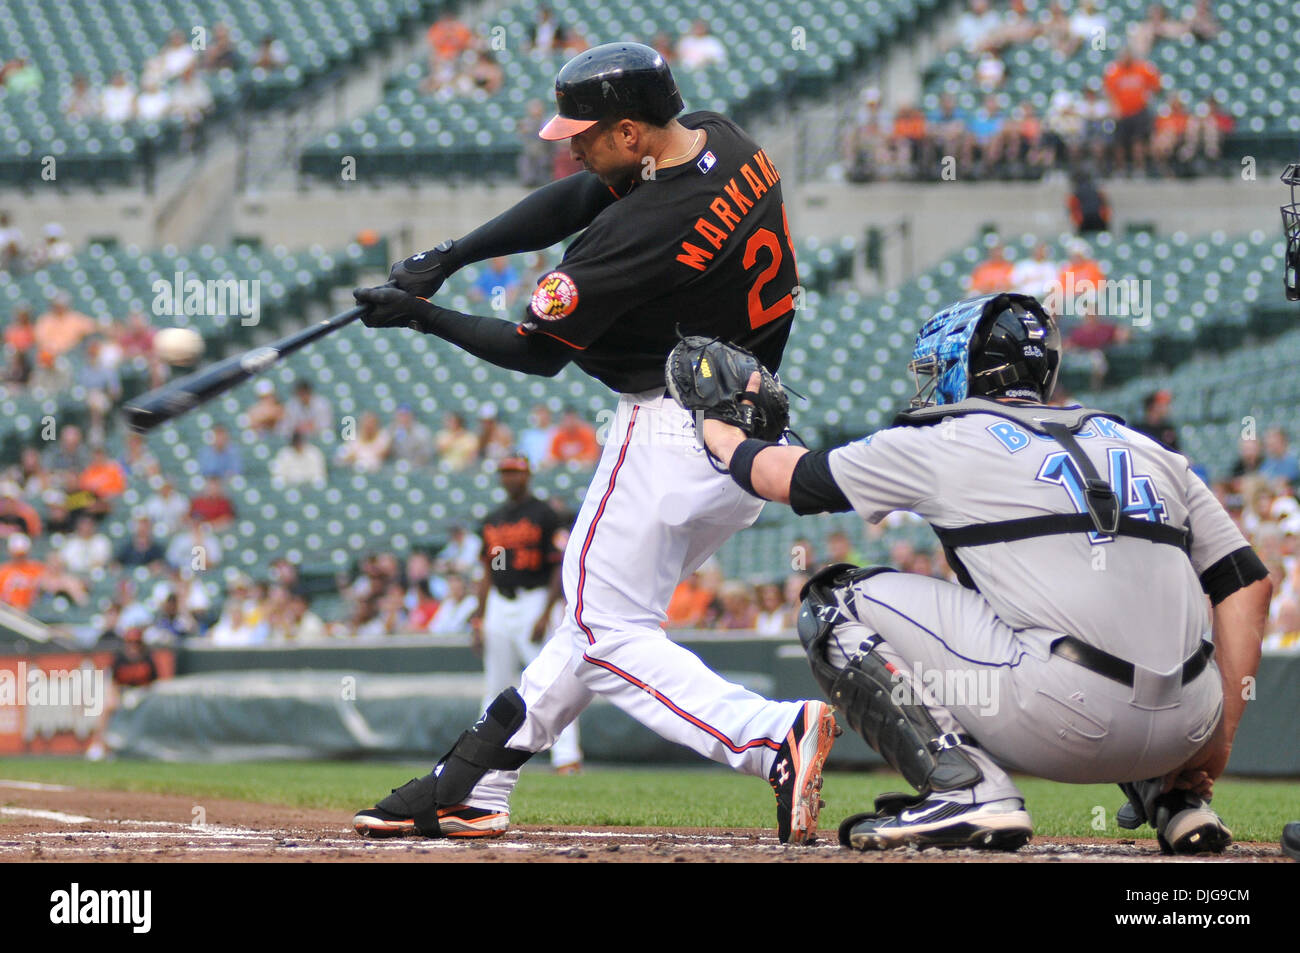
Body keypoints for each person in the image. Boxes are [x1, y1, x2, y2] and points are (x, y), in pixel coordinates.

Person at [350, 41, 836, 844]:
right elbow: (583, 192)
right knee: (597, 620)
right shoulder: (726, 139)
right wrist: (453, 256)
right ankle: (473, 778)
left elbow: (536, 352)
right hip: (749, 432)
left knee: (609, 631)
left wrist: (421, 315)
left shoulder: (636, 232)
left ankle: (767, 737)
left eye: (586, 130)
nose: (571, 144)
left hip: (667, 429)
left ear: (634, 132)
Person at [695, 292, 1269, 853]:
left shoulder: (946, 438)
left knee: (833, 602)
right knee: (1092, 606)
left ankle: (966, 789)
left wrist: (718, 430)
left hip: (1067, 721)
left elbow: (785, 479)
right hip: (1188, 729)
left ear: (960, 367)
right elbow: (1247, 583)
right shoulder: (1145, 445)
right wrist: (1214, 746)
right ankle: (1179, 803)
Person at [468, 454, 582, 773]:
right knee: (496, 683)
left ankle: (567, 757)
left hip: (536, 600)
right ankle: (481, 756)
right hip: (501, 603)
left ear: (528, 475)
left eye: (515, 472)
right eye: (505, 472)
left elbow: (558, 566)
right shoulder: (494, 519)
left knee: (551, 680)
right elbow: (493, 568)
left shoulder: (546, 514)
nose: (510, 478)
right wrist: (480, 617)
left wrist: (546, 612)